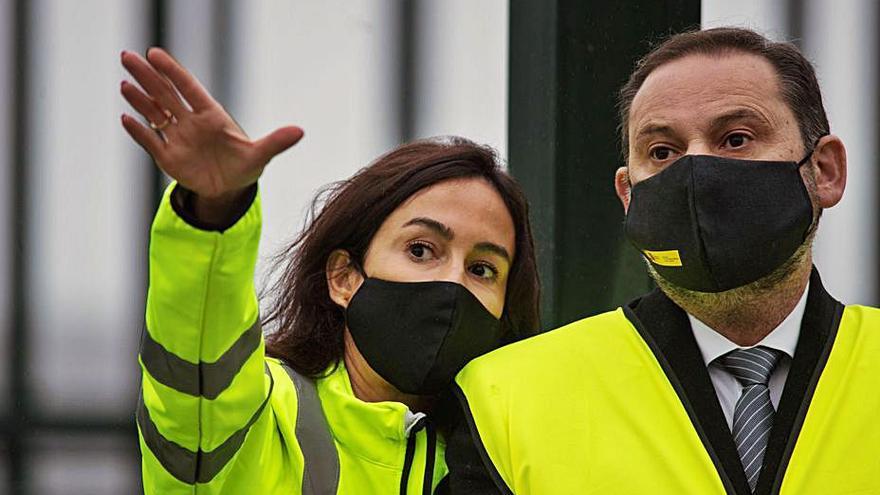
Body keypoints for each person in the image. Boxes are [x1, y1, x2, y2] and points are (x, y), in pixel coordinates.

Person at [448, 27, 879, 494]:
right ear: (629, 196)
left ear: (825, 170)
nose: (695, 172)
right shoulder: (509, 396)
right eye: (662, 152)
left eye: (736, 138)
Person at [120, 47, 540, 494]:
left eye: (482, 268)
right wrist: (213, 216)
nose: (452, 280)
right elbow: (199, 373)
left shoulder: (513, 459)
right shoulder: (265, 422)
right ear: (343, 277)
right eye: (420, 250)